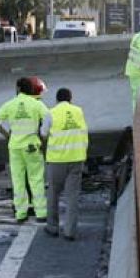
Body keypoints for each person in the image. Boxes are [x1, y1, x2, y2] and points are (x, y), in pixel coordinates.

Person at [0, 77, 50, 223]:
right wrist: (43, 136)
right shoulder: (36, 104)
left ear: (18, 88)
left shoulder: (9, 104)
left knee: (18, 180)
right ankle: (41, 213)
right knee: (36, 179)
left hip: (15, 147)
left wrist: (7, 135)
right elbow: (49, 118)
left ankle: (21, 213)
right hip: (32, 146)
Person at [44, 87, 89, 241]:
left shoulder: (51, 113)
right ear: (71, 99)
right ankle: (70, 231)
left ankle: (52, 227)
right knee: (72, 196)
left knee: (53, 194)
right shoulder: (78, 111)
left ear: (57, 100)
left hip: (56, 160)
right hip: (76, 159)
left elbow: (43, 133)